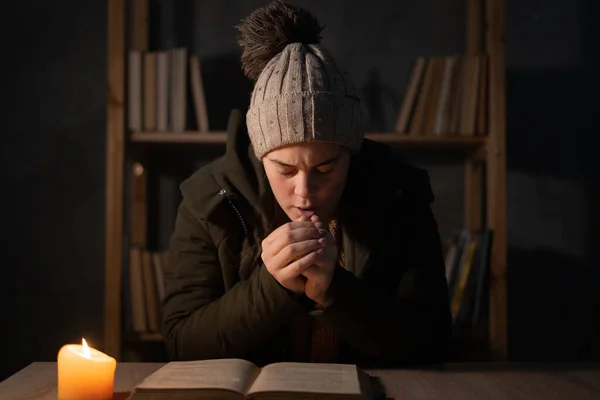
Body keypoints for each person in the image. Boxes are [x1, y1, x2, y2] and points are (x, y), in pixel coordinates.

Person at [161, 0, 452, 367]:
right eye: (284, 170)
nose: (304, 192)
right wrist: (272, 287)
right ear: (260, 155)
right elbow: (181, 344)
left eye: (325, 170)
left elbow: (432, 341)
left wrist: (334, 291)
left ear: (352, 154)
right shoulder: (210, 199)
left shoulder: (399, 195)